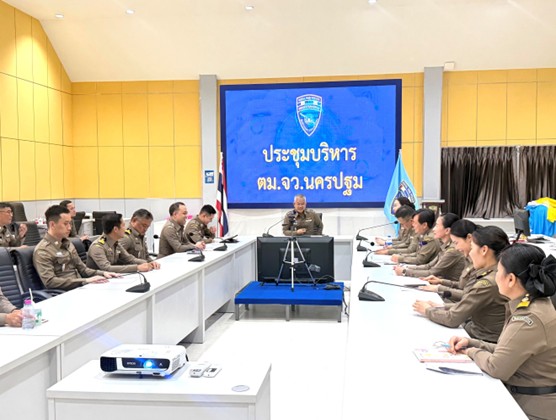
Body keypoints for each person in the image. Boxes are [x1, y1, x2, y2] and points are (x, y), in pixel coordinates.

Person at [449, 244, 556, 419]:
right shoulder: (535, 304)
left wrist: (470, 352)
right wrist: (472, 342)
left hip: (532, 409)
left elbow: (496, 367)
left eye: (498, 271)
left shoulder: (529, 319)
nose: (496, 275)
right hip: (526, 397)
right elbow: (507, 351)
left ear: (511, 279)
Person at [413, 226, 509, 343]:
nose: (470, 253)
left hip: (481, 338)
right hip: (475, 329)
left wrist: (427, 310)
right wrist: (440, 306)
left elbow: (452, 319)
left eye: (472, 248)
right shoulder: (493, 272)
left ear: (484, 250)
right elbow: (469, 304)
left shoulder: (488, 282)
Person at [33, 205, 120, 290]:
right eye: (65, 224)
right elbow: (50, 282)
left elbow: (83, 269)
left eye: (70, 223)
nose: (69, 228)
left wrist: (103, 273)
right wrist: (85, 281)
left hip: (80, 287)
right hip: (64, 292)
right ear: (52, 225)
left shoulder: (68, 243)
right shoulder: (43, 250)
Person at [393, 213, 466, 281]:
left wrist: (405, 271)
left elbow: (432, 272)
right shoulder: (445, 245)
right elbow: (429, 266)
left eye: (437, 225)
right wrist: (406, 267)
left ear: (447, 230)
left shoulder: (452, 251)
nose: (434, 229)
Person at [420, 219, 479, 302]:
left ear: (469, 238)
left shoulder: (478, 264)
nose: (456, 248)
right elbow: (463, 285)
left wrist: (439, 289)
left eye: (456, 243)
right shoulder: (468, 259)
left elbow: (468, 296)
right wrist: (441, 281)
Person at [86, 213, 159, 273]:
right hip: (95, 282)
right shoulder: (97, 247)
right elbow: (107, 268)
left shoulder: (116, 243)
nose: (125, 228)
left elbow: (130, 259)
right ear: (115, 229)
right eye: (123, 225)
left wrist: (147, 263)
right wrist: (137, 267)